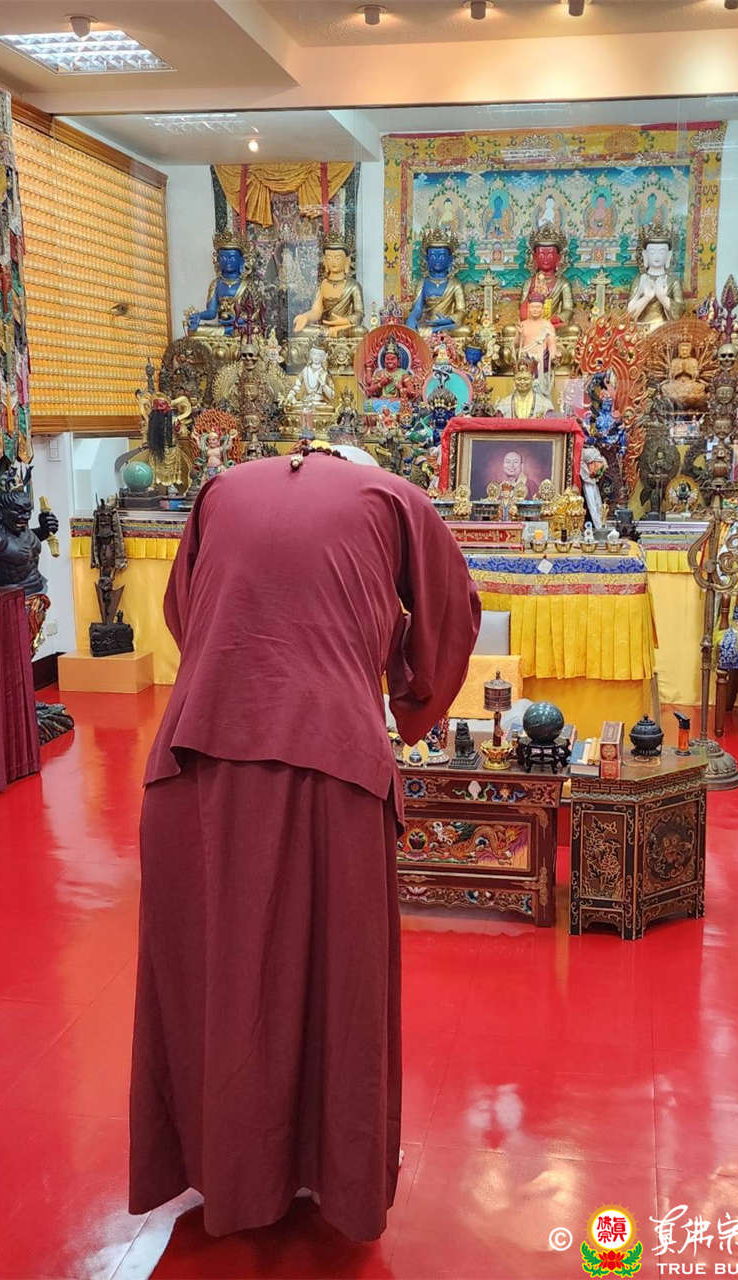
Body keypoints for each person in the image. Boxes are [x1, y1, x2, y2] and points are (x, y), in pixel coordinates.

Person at [129, 450, 481, 1243]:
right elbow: (454, 610)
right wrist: (401, 687)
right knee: (336, 981)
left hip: (195, 756)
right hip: (332, 763)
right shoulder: (394, 497)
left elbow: (185, 613)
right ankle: (331, 1177)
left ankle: (229, 1172)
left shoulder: (220, 488)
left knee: (215, 977)